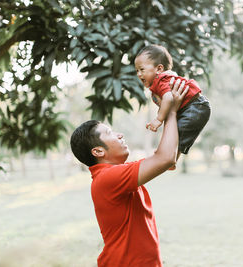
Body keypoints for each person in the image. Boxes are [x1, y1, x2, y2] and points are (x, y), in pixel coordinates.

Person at [69, 79, 188, 267]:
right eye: (109, 132)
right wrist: (171, 112)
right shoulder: (109, 178)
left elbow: (168, 159)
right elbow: (165, 158)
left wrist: (176, 112)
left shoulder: (115, 173)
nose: (119, 135)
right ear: (98, 151)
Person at [134, 44, 211, 169]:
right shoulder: (160, 82)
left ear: (159, 69)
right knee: (176, 131)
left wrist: (158, 119)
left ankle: (172, 158)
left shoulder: (161, 80)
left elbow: (169, 98)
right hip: (194, 106)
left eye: (142, 69)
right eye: (136, 70)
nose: (138, 74)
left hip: (195, 106)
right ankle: (170, 156)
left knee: (179, 132)